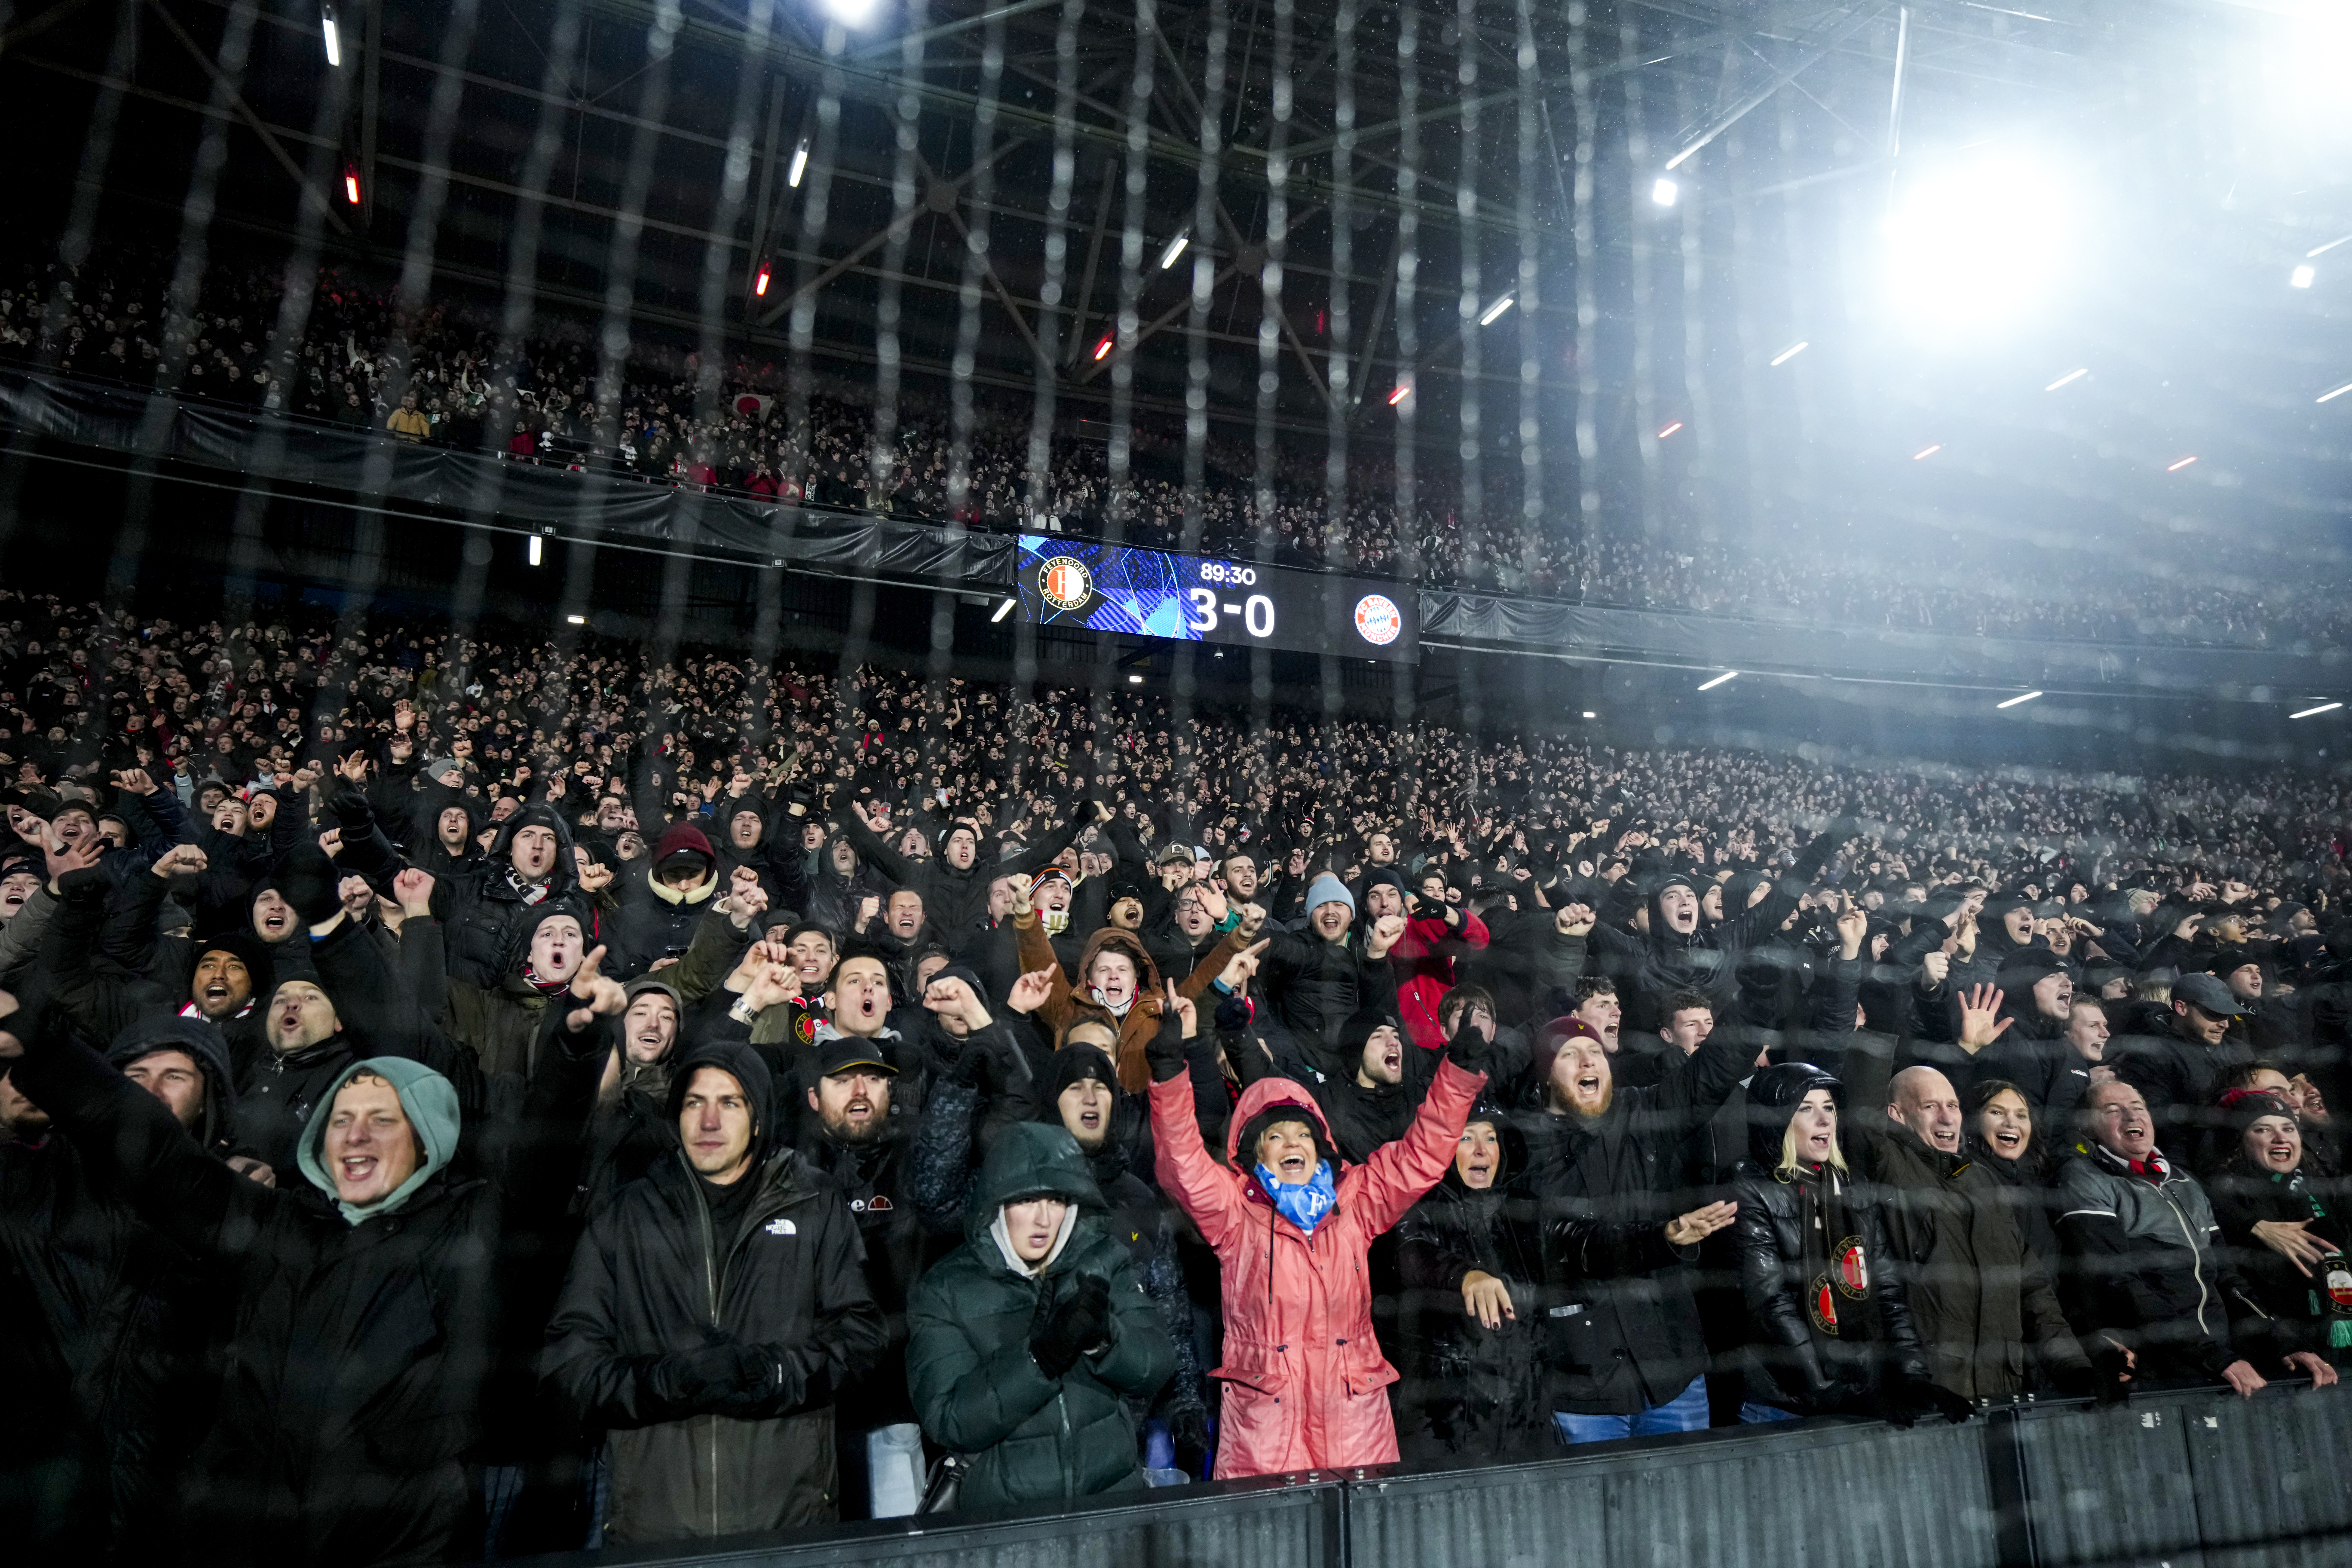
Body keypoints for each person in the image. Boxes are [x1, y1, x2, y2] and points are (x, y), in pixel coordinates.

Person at [0, 939, 621, 1567]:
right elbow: (161, 1157)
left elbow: (545, 1162)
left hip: (406, 1540)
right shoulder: (277, 1221)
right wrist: (44, 1049)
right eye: (341, 1117)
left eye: (382, 1118)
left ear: (426, 1137)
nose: (354, 1133)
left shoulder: (471, 1226)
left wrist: (574, 1045)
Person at [540, 1036, 888, 1543]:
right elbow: (569, 1364)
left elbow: (861, 1337)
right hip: (657, 1532)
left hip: (789, 1526)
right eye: (694, 1103)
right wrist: (664, 1381)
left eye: (730, 1103)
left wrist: (775, 1373)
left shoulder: (815, 1204)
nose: (709, 1122)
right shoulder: (626, 1215)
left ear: (760, 1116)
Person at [1145, 994, 1499, 1477]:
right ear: (1255, 1156)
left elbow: (1423, 1154)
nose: (1293, 1142)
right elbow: (1181, 1165)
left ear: (1321, 1149)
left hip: (1354, 1423)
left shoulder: (1354, 1200)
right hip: (1267, 1433)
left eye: (1304, 1135)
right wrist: (1169, 1071)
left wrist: (1458, 1074)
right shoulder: (1235, 1213)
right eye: (1276, 1137)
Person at [903, 1121, 1175, 1510]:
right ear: (997, 1203)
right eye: (1027, 1201)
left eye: (1057, 1200)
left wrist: (1106, 1342)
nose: (1045, 1220)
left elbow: (1158, 1364)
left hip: (1109, 1507)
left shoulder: (1103, 1261)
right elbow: (951, 1419)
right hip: (1009, 1523)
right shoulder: (946, 1290)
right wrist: (1039, 1360)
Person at [1525, 1012, 1749, 1443]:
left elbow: (1712, 1072)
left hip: (1673, 1379)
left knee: (1685, 1507)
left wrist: (1758, 996)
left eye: (1595, 1053)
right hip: (1585, 1393)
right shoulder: (1523, 1146)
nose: (1589, 1062)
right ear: (1547, 1076)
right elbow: (1567, 1243)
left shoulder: (1641, 1113)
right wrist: (1660, 1239)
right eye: (1570, 1055)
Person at [2052, 1079, 2335, 1398]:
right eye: (2113, 1111)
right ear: (2088, 1129)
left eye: (2138, 1108)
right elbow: (2116, 1284)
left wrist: (2285, 1342)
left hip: (2215, 1364)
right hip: (2154, 1371)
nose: (2132, 1118)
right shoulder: (2085, 1179)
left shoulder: (2184, 1182)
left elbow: (2227, 1278)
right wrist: (2212, 1357)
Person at [1727, 1062, 1956, 1426]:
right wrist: (1829, 1390)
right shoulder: (1749, 1190)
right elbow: (1771, 1305)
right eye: (1806, 1109)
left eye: (1829, 1108)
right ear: (1776, 1121)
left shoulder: (1855, 1187)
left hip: (1863, 1392)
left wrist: (1912, 1377)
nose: (1824, 1121)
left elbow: (1888, 1293)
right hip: (1786, 1404)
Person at [1391, 1096, 1550, 1461]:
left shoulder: (1526, 1210)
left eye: (1491, 1139)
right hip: (1445, 1426)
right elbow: (1410, 1254)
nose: (1481, 1149)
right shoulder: (1419, 1207)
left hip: (1525, 1418)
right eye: (1467, 1139)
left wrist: (1664, 1236)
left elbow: (1585, 1240)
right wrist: (1465, 1276)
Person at [2200, 1089, 2351, 1371]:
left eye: (2288, 1128)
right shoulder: (2224, 1197)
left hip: (2336, 1346)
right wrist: (2285, 1342)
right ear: (2239, 1142)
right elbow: (2229, 1281)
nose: (2281, 1138)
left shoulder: (2316, 1189)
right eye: (2263, 1129)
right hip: (2278, 1356)